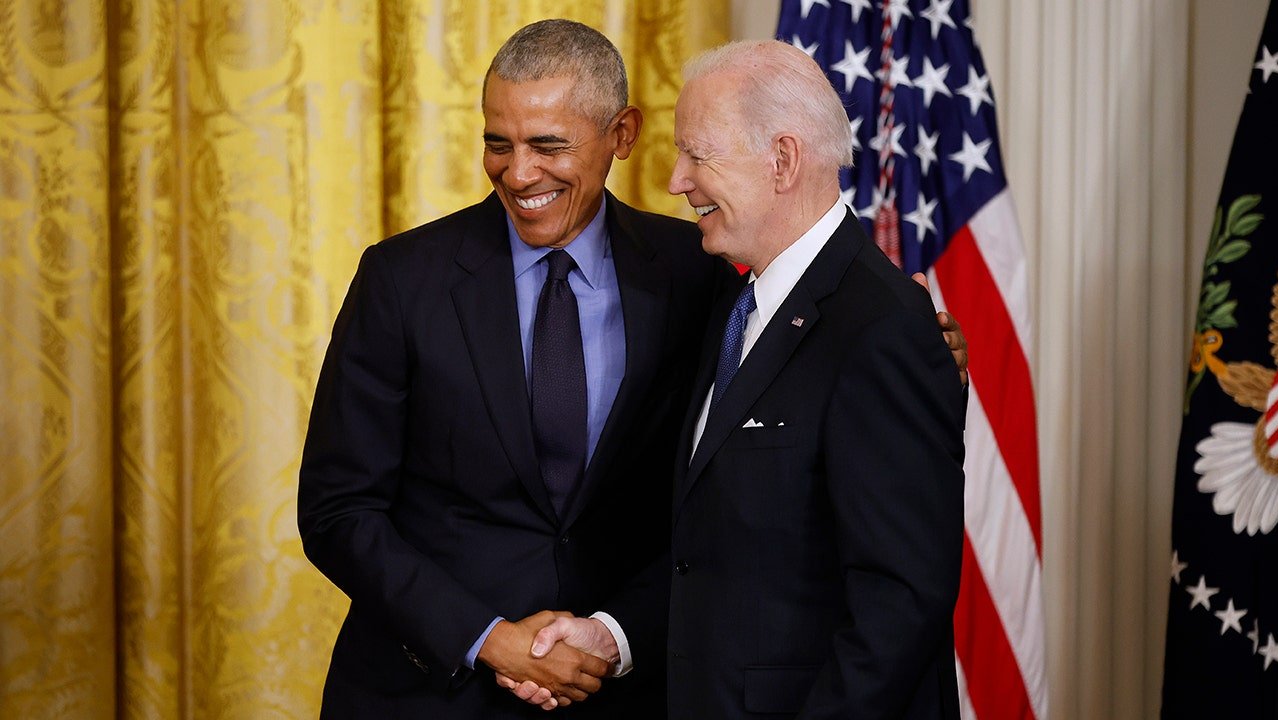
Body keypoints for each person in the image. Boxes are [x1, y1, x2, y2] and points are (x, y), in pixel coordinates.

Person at [299, 20, 967, 718]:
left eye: (548, 145)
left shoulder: (697, 273)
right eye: (499, 143)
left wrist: (927, 359)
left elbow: (772, 474)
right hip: (430, 694)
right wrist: (487, 638)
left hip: (628, 692)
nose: (518, 173)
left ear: (620, 134)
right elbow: (338, 508)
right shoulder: (401, 280)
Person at [522, 39, 966, 719]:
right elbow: (717, 551)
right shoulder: (736, 307)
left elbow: (899, 607)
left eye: (697, 155)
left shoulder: (882, 327)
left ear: (782, 160)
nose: (676, 180)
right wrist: (612, 636)